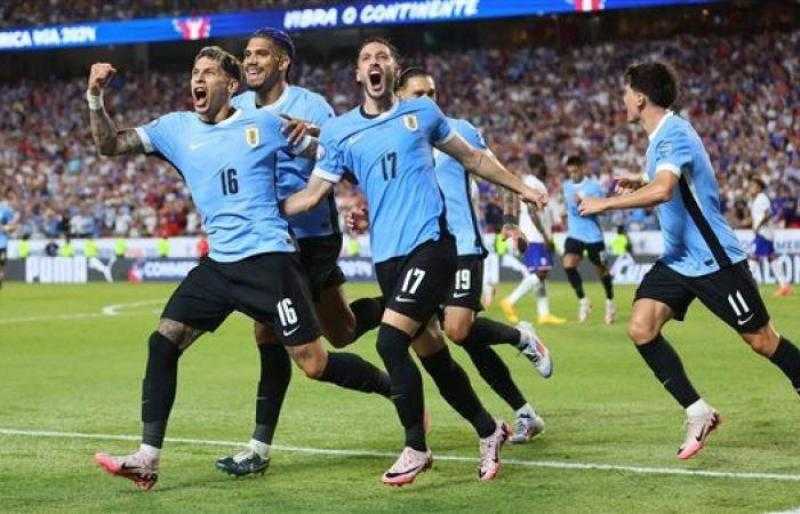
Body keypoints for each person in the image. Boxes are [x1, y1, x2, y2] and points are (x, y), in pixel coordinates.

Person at [87, 47, 391, 491]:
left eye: (209, 72)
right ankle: (147, 458)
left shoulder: (264, 124)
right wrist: (95, 98)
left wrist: (354, 197)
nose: (198, 79)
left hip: (270, 261)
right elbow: (109, 144)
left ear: (231, 86)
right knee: (163, 341)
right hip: (219, 265)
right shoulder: (175, 128)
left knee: (315, 363)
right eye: (195, 71)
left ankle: (393, 388)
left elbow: (335, 153)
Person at [283, 38, 547, 485]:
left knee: (390, 342)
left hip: (432, 246)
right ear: (358, 74)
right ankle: (489, 430)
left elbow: (474, 158)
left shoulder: (422, 114)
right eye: (366, 58)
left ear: (393, 70)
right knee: (435, 357)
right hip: (387, 258)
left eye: (382, 57)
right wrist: (263, 212)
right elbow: (311, 195)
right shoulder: (341, 131)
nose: (374, 63)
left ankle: (416, 448)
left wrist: (520, 187)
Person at [579, 61, 800, 460]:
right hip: (679, 259)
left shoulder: (673, 133)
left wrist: (605, 204)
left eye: (626, 92)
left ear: (640, 98)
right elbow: (669, 185)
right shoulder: (661, 138)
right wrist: (640, 182)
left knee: (762, 340)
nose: (622, 99)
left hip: (715, 260)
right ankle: (699, 412)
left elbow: (664, 190)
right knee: (641, 327)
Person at [216, 28, 386, 478]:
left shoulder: (312, 106)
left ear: (283, 61)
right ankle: (403, 310)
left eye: (261, 54)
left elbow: (346, 158)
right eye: (247, 54)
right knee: (343, 331)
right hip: (266, 238)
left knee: (268, 333)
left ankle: (258, 448)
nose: (251, 61)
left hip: (311, 237)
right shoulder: (238, 106)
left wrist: (312, 140)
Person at [396, 67, 552, 444]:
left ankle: (521, 336)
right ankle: (525, 414)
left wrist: (511, 223)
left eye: (432, 92)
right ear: (399, 96)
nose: (428, 100)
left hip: (463, 246)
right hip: (424, 252)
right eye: (418, 94)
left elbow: (498, 174)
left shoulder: (457, 130)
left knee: (457, 330)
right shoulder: (397, 140)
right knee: (468, 339)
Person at [500, 153, 566, 326]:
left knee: (541, 274)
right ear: (538, 165)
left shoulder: (536, 182)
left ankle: (544, 314)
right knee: (540, 272)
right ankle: (510, 301)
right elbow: (531, 211)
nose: (545, 168)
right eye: (542, 165)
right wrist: (544, 235)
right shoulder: (532, 182)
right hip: (533, 234)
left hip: (537, 234)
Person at [561, 154, 616, 324]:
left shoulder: (594, 186)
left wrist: (584, 201)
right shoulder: (566, 186)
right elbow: (567, 208)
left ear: (582, 169)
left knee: (602, 269)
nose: (572, 175)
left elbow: (604, 210)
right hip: (575, 234)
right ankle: (583, 301)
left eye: (575, 171)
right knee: (568, 264)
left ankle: (610, 302)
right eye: (570, 172)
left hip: (593, 235)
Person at [749, 177, 792, 297]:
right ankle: (784, 286)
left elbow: (768, 213)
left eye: (753, 186)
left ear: (759, 187)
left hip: (763, 232)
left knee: (754, 256)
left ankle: (747, 285)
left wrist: (758, 226)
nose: (751, 188)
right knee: (771, 257)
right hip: (764, 233)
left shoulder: (762, 198)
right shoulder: (757, 199)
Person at [0, 195, 18, 289]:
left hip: (2, 244)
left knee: (2, 265)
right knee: (2, 265)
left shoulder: (6, 211)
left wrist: (6, 228)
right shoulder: (5, 211)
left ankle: (0, 280)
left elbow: (13, 227)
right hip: (3, 244)